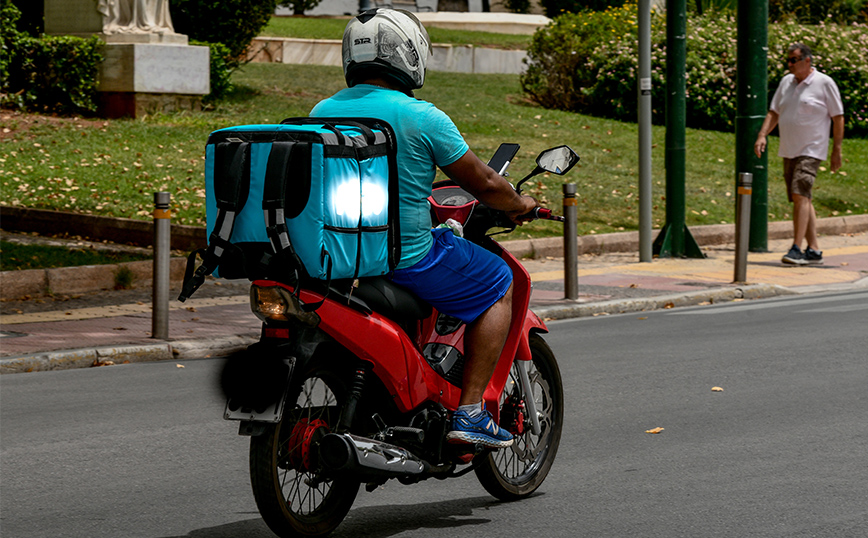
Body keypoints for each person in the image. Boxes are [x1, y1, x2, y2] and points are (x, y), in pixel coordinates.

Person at [310, 9, 537, 449]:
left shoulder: (323, 110)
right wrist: (520, 203)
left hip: (341, 251)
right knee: (499, 281)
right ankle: (471, 412)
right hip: (406, 256)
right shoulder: (422, 116)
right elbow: (486, 183)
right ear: (407, 53)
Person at [754, 42, 845, 266]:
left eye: (793, 60)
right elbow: (774, 111)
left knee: (800, 195)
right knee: (802, 197)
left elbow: (838, 117)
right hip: (789, 149)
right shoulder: (786, 82)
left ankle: (796, 248)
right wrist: (762, 135)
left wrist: (837, 150)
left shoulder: (824, 83)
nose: (790, 64)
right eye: (788, 60)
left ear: (807, 61)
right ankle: (813, 249)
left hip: (812, 149)